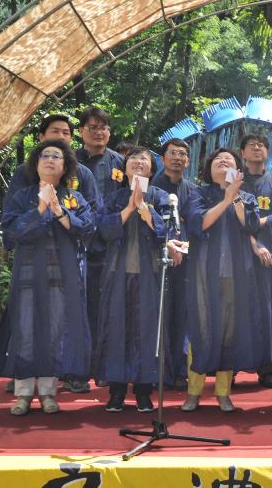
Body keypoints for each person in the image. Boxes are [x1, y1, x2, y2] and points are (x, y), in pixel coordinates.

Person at [0, 139, 94, 415]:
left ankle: (47, 391)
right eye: (44, 156)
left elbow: (87, 229)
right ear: (36, 164)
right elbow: (12, 232)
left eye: (56, 156)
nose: (49, 160)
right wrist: (39, 209)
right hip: (27, 271)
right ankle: (23, 393)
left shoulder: (74, 197)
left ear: (65, 166)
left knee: (55, 331)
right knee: (25, 329)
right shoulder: (22, 196)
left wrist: (59, 210)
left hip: (62, 273)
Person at [181, 148, 264, 412]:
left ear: (238, 170)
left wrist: (234, 196)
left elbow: (250, 225)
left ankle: (223, 393)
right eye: (218, 159)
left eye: (229, 159)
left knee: (229, 331)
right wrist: (225, 199)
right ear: (209, 168)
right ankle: (194, 391)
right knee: (201, 328)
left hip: (236, 273)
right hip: (204, 272)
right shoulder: (198, 194)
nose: (223, 161)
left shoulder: (246, 197)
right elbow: (199, 224)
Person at [93, 147, 170, 413]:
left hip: (150, 274)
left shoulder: (160, 196)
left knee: (146, 332)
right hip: (117, 273)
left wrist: (146, 210)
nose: (138, 162)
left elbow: (170, 232)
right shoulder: (114, 197)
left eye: (144, 159)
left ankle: (143, 391)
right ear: (124, 168)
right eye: (133, 159)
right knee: (116, 330)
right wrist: (128, 208)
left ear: (152, 168)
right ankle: (116, 391)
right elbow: (103, 231)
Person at [74, 106, 125, 392]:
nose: (98, 132)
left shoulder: (121, 163)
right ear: (81, 131)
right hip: (77, 244)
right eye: (92, 127)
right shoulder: (69, 161)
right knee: (79, 308)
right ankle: (77, 370)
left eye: (103, 127)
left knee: (108, 308)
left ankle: (104, 368)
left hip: (111, 246)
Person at [239, 133, 272, 389]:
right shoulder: (235, 182)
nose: (257, 148)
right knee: (239, 309)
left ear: (268, 152)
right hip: (239, 255)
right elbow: (232, 214)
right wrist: (253, 241)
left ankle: (267, 368)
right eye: (251, 145)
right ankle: (231, 366)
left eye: (262, 145)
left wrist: (260, 222)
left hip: (271, 255)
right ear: (242, 153)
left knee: (269, 311)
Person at [151, 138, 197, 391]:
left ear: (187, 161)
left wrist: (187, 244)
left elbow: (196, 223)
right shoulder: (151, 187)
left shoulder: (193, 190)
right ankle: (156, 371)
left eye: (182, 154)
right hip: (155, 260)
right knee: (158, 315)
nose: (177, 158)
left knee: (182, 315)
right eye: (172, 153)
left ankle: (179, 370)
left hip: (185, 262)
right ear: (162, 158)